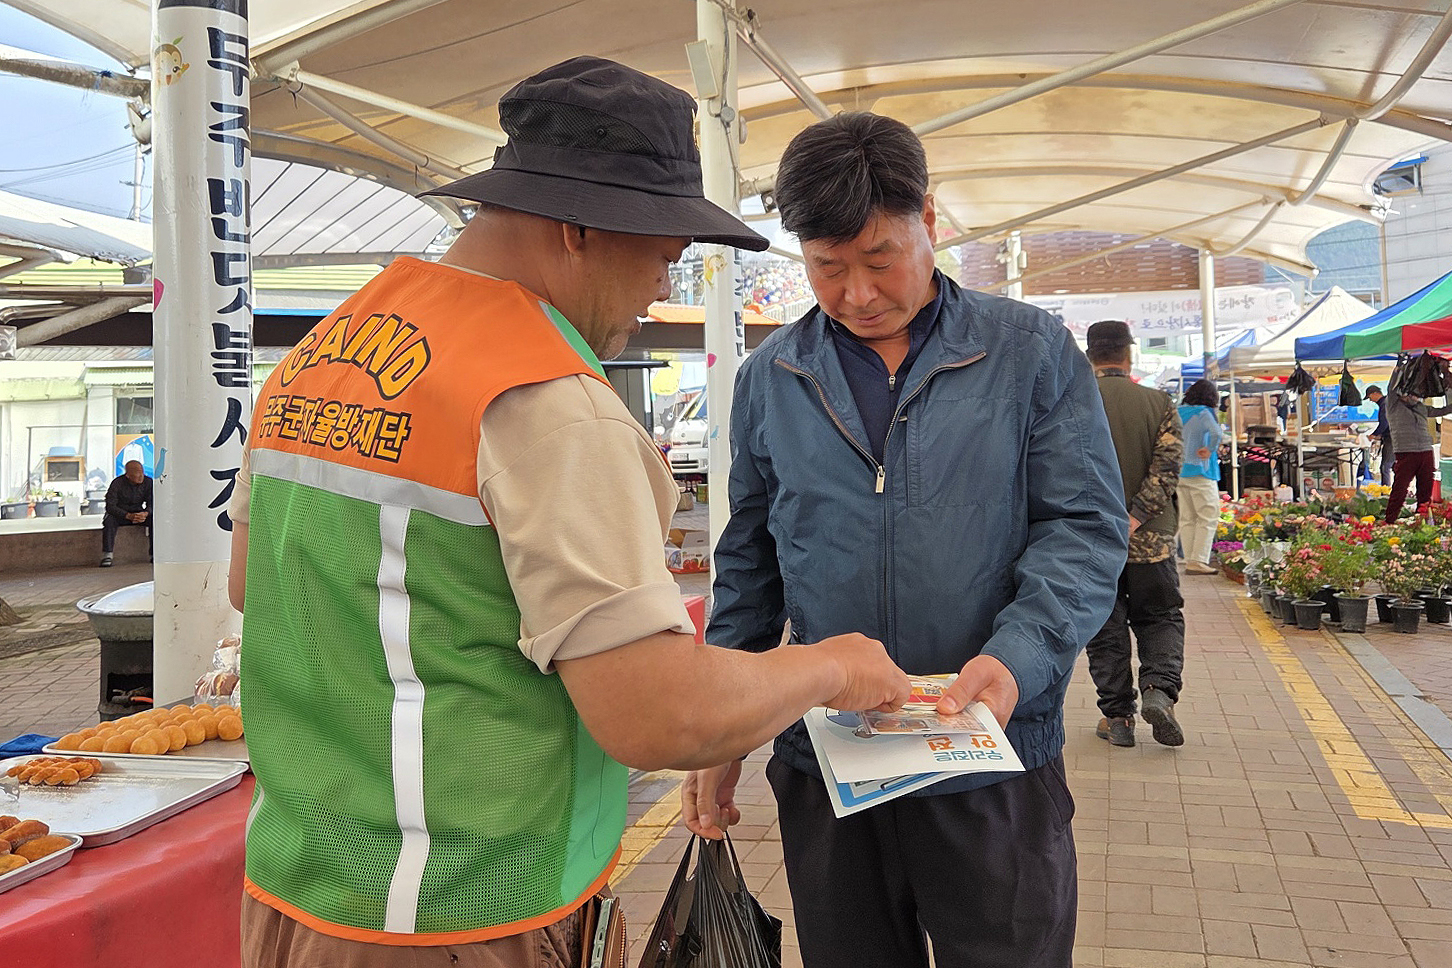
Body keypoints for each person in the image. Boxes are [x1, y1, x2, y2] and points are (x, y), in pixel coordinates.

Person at [225, 58, 911, 968]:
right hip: (462, 912)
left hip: (298, 894)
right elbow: (656, 717)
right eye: (662, 257)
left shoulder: (331, 346)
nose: (658, 293)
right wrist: (829, 667)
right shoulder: (545, 398)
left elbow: (249, 587)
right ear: (580, 226)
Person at [683, 112, 1129, 968]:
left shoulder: (1026, 350)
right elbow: (750, 564)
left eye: (879, 258)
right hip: (829, 767)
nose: (857, 293)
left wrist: (1021, 657)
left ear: (930, 220)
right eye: (827, 267)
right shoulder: (771, 376)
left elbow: (1082, 527)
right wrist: (722, 732)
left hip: (993, 754)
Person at [1085, 320, 1186, 749]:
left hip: (1092, 542)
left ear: (1089, 356)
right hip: (1153, 544)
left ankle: (1118, 718)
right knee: (1159, 616)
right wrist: (1138, 516)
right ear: (1128, 355)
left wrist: (1107, 520)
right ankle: (1159, 691)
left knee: (1105, 628)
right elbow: (1168, 468)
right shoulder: (1159, 402)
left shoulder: (1074, 404)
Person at [1383, 389, 1452, 522]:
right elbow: (1391, 388)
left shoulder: (1421, 407)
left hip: (1426, 450)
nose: (1414, 396)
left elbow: (1441, 411)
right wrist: (1399, 369)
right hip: (1406, 451)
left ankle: (1425, 520)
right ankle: (1390, 520)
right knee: (1400, 488)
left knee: (1426, 489)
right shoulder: (1393, 405)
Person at [1177, 379, 1224, 576]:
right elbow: (1216, 433)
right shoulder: (1204, 412)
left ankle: (1189, 558)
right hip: (1201, 470)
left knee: (1186, 518)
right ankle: (1198, 560)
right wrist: (1209, 449)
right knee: (1208, 515)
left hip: (1179, 470)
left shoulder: (1178, 411)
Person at [99, 459, 152, 567]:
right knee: (109, 521)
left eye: (142, 472)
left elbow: (153, 502)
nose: (140, 476)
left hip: (138, 513)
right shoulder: (117, 483)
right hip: (120, 514)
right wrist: (127, 515)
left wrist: (145, 513)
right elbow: (110, 506)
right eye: (137, 474)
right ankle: (107, 555)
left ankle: (154, 554)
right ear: (128, 475)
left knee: (155, 520)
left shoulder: (148, 482)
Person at [1367, 385, 1393, 485]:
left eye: (1370, 397)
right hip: (1390, 436)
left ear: (1375, 393)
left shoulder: (1384, 403)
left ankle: (1385, 491)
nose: (1370, 400)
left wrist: (1374, 434)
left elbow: (1385, 422)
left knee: (1385, 466)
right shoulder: (1386, 402)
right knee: (1393, 465)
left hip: (1391, 438)